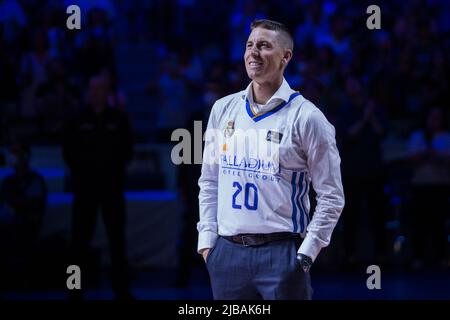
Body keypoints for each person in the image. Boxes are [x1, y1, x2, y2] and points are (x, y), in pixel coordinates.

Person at [197, 19, 345, 300]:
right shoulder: (222, 108)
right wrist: (207, 244)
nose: (253, 53)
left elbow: (331, 196)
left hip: (281, 253)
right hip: (227, 253)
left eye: (264, 46)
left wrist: (306, 254)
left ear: (285, 57)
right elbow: (210, 181)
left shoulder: (308, 117)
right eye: (249, 45)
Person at [62, 75, 134, 299]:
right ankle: (74, 290)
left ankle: (121, 291)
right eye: (93, 89)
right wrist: (84, 172)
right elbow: (68, 152)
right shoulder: (77, 119)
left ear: (108, 92)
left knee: (117, 241)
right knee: (79, 242)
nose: (96, 93)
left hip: (112, 189)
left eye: (101, 89)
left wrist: (112, 171)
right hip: (85, 190)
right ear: (88, 91)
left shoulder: (119, 119)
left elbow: (127, 151)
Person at [407, 106, 450, 270]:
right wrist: (425, 156)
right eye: (432, 116)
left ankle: (441, 257)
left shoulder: (446, 137)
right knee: (419, 223)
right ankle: (418, 256)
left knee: (439, 223)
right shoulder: (417, 136)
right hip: (420, 185)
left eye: (438, 116)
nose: (434, 119)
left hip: (441, 185)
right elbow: (411, 158)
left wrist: (436, 156)